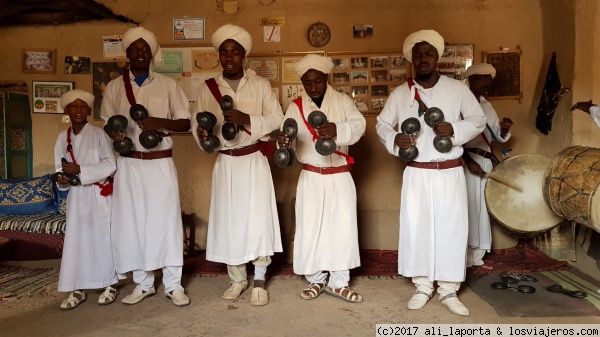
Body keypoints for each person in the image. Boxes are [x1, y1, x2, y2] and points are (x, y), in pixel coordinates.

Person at [375, 29, 486, 316]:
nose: (422, 58)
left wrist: (455, 129)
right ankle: (423, 285)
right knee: (417, 227)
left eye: (428, 53)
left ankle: (448, 289)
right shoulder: (401, 94)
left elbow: (479, 119)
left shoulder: (457, 89)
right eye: (417, 54)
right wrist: (394, 139)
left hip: (449, 172)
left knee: (452, 227)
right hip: (417, 172)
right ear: (412, 59)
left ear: (437, 57)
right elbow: (382, 125)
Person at [191, 24, 283, 306]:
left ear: (245, 56)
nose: (229, 57)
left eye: (235, 52)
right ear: (218, 55)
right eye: (224, 52)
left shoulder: (260, 85)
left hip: (254, 160)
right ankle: (237, 279)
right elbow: (198, 122)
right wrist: (203, 134)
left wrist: (247, 120)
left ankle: (259, 279)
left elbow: (277, 119)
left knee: (258, 219)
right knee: (230, 221)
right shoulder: (207, 88)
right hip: (227, 162)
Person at [101, 26, 191, 307]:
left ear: (152, 54)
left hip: (160, 164)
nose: (140, 53)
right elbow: (107, 122)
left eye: (145, 49)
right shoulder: (115, 87)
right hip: (129, 165)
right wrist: (115, 134)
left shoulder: (167, 85)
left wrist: (160, 123)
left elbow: (185, 122)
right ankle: (143, 284)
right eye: (134, 49)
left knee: (166, 222)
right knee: (133, 223)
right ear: (126, 53)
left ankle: (174, 285)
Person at [277, 54, 366, 303]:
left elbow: (359, 125)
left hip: (339, 175)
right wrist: (284, 141)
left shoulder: (342, 101)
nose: (313, 87)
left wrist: (338, 129)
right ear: (302, 82)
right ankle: (316, 279)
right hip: (312, 176)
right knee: (311, 227)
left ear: (326, 78)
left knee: (342, 226)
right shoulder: (296, 106)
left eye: (317, 81)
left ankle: (339, 282)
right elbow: (287, 134)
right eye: (307, 82)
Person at [55, 89, 118, 310]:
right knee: (78, 241)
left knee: (101, 238)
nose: (79, 110)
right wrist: (62, 178)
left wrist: (81, 169)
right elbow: (59, 171)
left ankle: (109, 284)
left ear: (90, 110)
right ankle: (78, 288)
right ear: (67, 110)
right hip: (77, 197)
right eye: (74, 106)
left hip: (98, 194)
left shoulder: (99, 134)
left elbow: (110, 166)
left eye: (83, 106)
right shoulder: (63, 138)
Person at [462, 63, 513, 269]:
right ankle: (462, 257)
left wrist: (503, 129)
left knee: (483, 208)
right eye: (483, 78)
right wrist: (468, 161)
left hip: (485, 160)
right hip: (465, 161)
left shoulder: (487, 106)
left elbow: (494, 136)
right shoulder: (460, 103)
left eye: (489, 80)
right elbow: (452, 138)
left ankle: (477, 256)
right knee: (466, 207)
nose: (487, 83)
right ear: (471, 80)